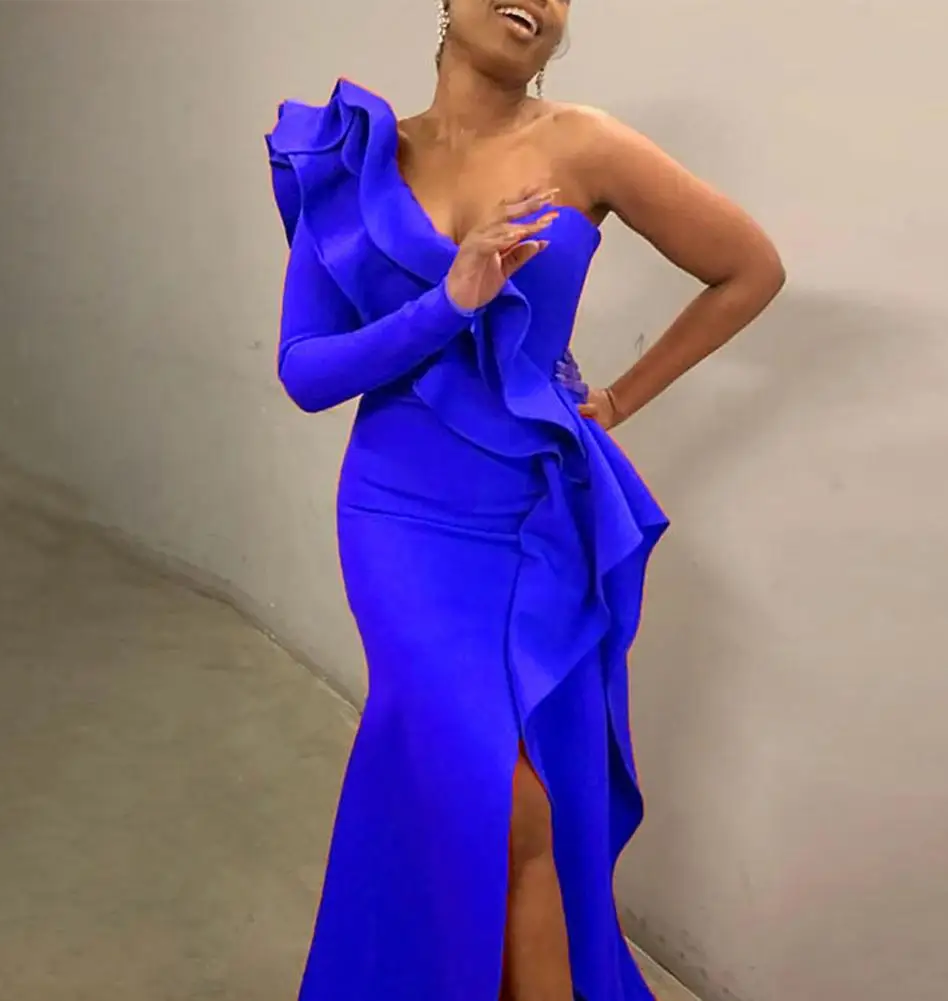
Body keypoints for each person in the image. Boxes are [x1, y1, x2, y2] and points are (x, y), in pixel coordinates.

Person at [265, 1, 784, 999]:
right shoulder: (352, 157)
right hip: (402, 519)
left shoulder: (586, 145)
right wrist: (449, 301)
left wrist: (616, 399)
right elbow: (305, 370)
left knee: (533, 806)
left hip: (535, 518)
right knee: (503, 804)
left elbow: (747, 269)